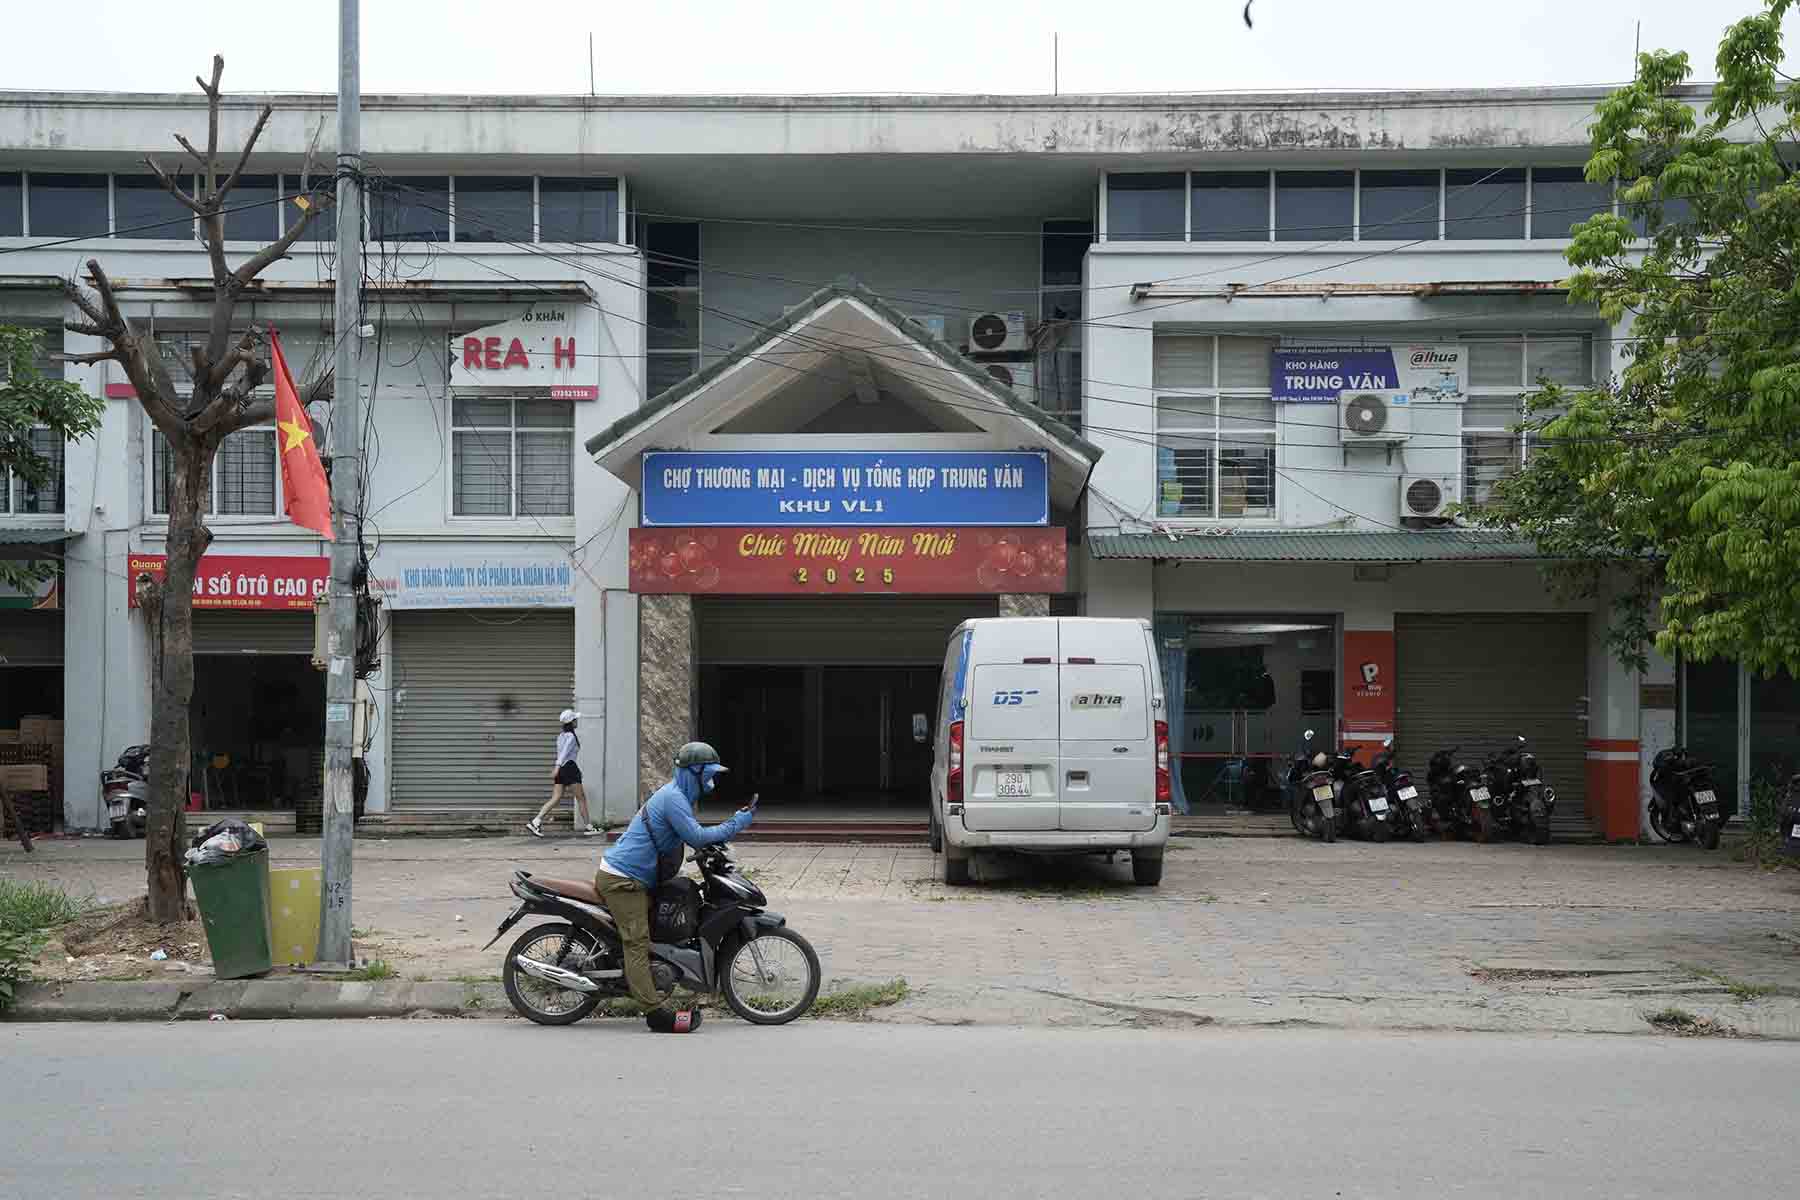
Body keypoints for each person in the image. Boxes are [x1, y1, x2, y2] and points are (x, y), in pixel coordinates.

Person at [594, 741, 755, 1030]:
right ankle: (654, 1011)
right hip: (623, 880)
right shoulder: (673, 798)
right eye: (710, 774)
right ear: (695, 772)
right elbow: (696, 836)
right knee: (637, 941)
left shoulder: (678, 795)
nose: (713, 780)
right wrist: (736, 823)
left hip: (638, 877)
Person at [527, 710, 598, 838]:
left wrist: (558, 768)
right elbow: (564, 753)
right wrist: (557, 767)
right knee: (581, 798)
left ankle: (535, 821)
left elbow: (560, 754)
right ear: (572, 722)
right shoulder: (571, 736)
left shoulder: (560, 736)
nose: (577, 721)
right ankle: (589, 827)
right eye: (575, 719)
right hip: (569, 768)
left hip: (562, 769)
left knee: (556, 798)